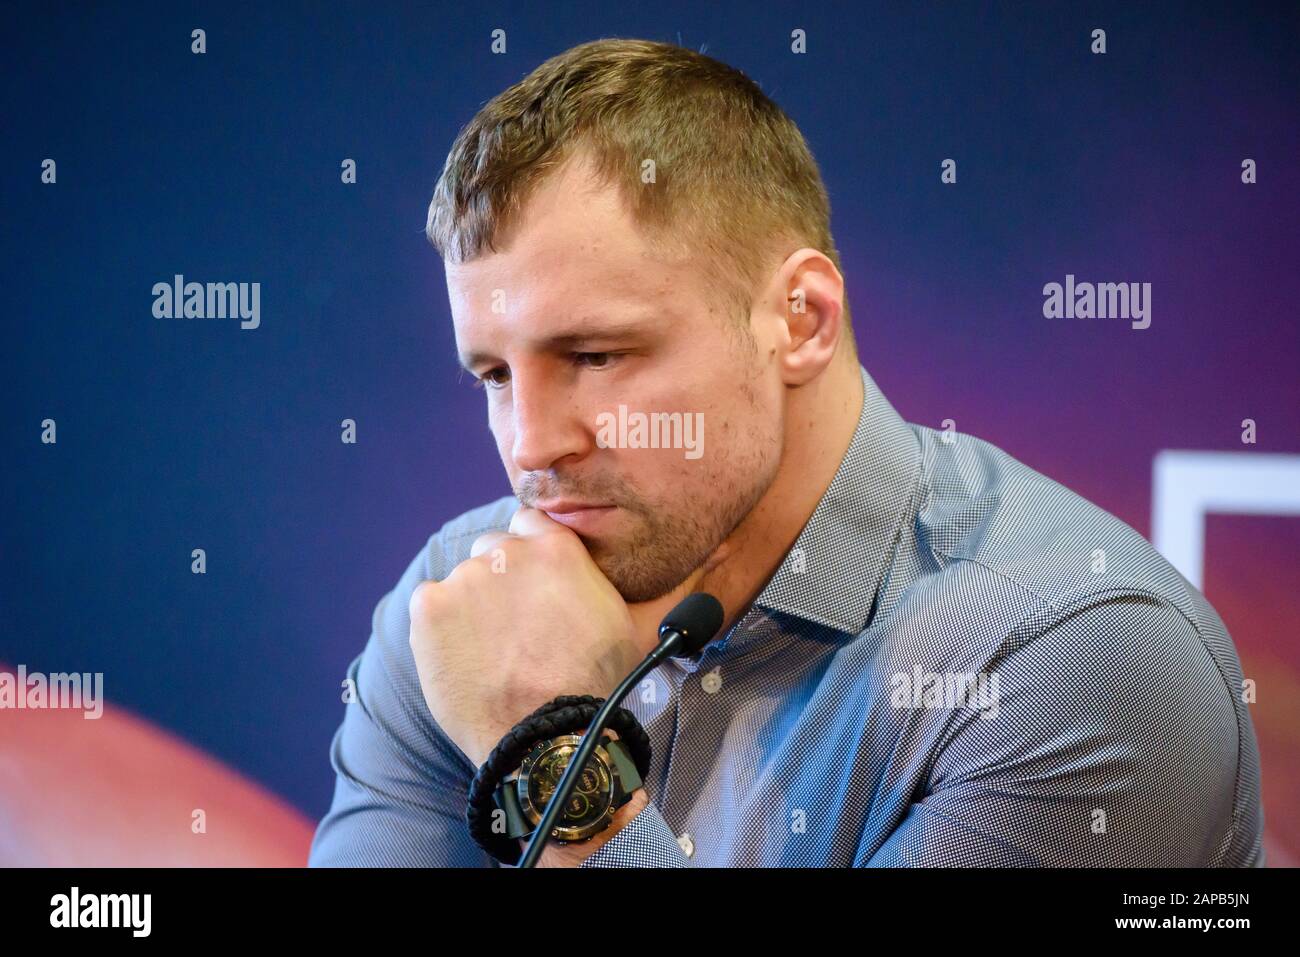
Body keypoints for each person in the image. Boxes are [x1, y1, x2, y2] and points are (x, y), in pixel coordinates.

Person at [308, 38, 1263, 867]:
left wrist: (556, 753)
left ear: (799, 319)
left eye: (595, 356)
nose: (531, 447)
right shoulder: (464, 600)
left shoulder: (1082, 657)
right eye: (494, 376)